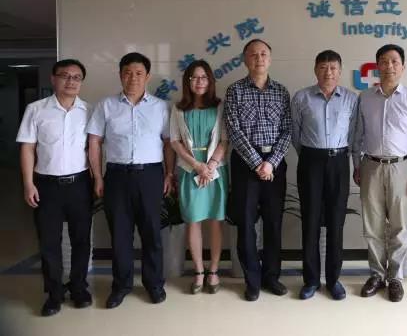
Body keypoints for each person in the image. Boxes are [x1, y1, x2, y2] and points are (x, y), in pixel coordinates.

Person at [87, 52, 175, 309]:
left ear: (147, 76)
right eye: (127, 73)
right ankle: (121, 286)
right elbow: (94, 141)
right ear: (120, 75)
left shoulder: (161, 107)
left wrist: (169, 173)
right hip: (116, 176)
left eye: (138, 73)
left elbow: (168, 143)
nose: (133, 78)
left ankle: (154, 284)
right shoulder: (106, 105)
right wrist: (98, 176)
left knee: (152, 233)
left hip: (150, 176)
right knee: (120, 235)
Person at [16, 59, 93, 316]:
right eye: (65, 76)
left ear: (81, 82)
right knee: (49, 242)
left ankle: (79, 288)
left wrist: (98, 180)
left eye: (76, 77)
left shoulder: (89, 110)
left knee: (81, 240)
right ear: (53, 79)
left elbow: (94, 149)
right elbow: (27, 147)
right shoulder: (36, 109)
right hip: (46, 185)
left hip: (80, 184)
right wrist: (28, 183)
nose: (71, 81)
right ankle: (54, 294)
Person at [352, 44, 407, 302]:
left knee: (398, 225)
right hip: (370, 166)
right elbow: (358, 136)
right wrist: (356, 165)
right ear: (377, 66)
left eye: (394, 61)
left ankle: (395, 277)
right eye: (384, 61)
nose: (389, 66)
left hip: (401, 167)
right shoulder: (365, 98)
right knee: (372, 225)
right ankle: (376, 274)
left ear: (403, 67)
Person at [224, 39, 292, 301]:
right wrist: (256, 163)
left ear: (270, 59)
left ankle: (271, 277)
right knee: (246, 224)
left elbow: (287, 130)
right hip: (245, 164)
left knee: (274, 223)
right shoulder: (235, 91)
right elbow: (234, 130)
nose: (259, 58)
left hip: (275, 164)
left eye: (263, 54)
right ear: (245, 60)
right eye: (253, 54)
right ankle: (252, 280)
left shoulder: (281, 92)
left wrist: (271, 162)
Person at [291, 50, 357, 301]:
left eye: (333, 68)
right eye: (323, 67)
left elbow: (354, 133)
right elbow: (295, 134)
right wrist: (313, 155)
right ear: (315, 70)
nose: (328, 72)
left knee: (336, 222)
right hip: (311, 161)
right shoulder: (301, 97)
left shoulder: (351, 99)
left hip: (339, 161)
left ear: (340, 71)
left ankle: (333, 279)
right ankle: (310, 280)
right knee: (310, 221)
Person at [170, 60, 228, 295]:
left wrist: (210, 166)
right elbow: (175, 141)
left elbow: (224, 140)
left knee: (215, 220)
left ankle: (213, 270)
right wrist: (197, 166)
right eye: (194, 77)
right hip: (189, 169)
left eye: (204, 77)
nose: (199, 81)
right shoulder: (178, 108)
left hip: (216, 170)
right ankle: (198, 271)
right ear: (188, 81)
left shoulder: (220, 106)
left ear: (210, 80)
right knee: (193, 220)